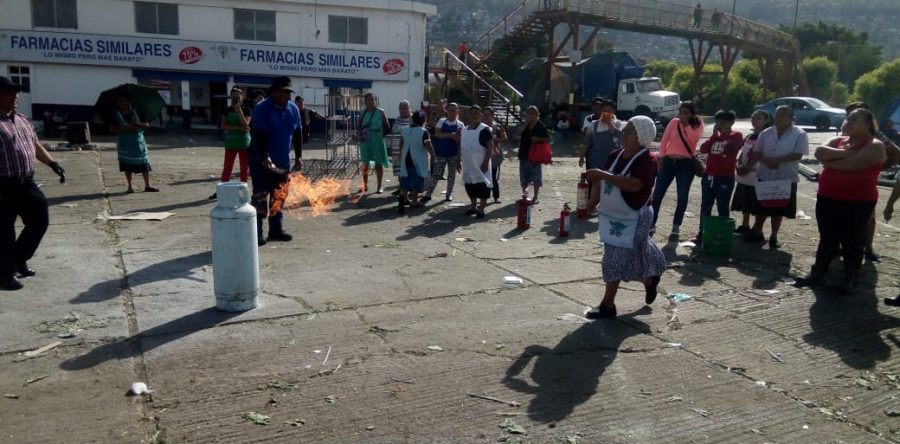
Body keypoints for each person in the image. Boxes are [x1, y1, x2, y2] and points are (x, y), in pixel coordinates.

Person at [584, 116, 666, 319]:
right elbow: (599, 181)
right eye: (625, 130)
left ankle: (607, 305)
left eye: (629, 131)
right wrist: (592, 202)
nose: (624, 133)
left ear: (641, 137)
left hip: (635, 216)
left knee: (613, 259)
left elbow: (634, 185)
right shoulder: (615, 155)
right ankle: (650, 278)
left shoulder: (647, 160)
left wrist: (603, 175)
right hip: (612, 216)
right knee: (634, 253)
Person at [795, 108, 885, 292]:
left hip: (857, 201)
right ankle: (818, 273)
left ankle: (851, 276)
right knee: (827, 236)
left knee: (852, 239)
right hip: (828, 196)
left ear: (868, 124)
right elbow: (820, 152)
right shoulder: (839, 140)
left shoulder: (875, 145)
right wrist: (846, 153)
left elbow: (855, 165)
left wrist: (831, 161)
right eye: (848, 119)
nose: (849, 122)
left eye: (855, 119)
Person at [0, 76, 66, 290]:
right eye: (9, 92)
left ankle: (17, 260)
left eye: (16, 92)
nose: (15, 96)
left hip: (27, 183)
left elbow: (35, 145)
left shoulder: (22, 119)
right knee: (4, 232)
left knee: (39, 220)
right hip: (3, 187)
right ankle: (4, 274)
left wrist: (52, 163)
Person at [743, 105, 809, 249]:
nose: (779, 118)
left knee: (779, 208)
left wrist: (777, 160)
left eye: (783, 116)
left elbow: (798, 154)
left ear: (791, 118)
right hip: (765, 174)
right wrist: (767, 161)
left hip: (786, 176)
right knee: (762, 206)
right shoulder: (766, 133)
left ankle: (774, 236)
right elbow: (757, 152)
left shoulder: (799, 134)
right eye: (777, 115)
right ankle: (757, 231)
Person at [249, 76, 301, 246]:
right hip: (261, 162)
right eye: (284, 92)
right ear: (275, 92)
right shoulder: (262, 109)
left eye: (288, 92)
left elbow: (298, 134)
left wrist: (299, 156)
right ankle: (256, 232)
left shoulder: (293, 109)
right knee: (260, 197)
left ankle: (276, 230)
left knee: (278, 197)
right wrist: (264, 156)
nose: (287, 95)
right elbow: (258, 135)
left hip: (283, 163)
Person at [651, 101, 704, 239]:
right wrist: (661, 159)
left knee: (682, 196)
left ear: (692, 114)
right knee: (657, 194)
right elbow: (664, 141)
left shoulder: (697, 123)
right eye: (681, 112)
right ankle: (651, 223)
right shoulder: (674, 122)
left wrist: (686, 124)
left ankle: (676, 227)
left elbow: (694, 139)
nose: (682, 115)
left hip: (685, 164)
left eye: (686, 113)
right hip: (669, 161)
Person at [693, 110, 743, 244]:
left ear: (731, 122)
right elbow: (703, 149)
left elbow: (732, 148)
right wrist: (714, 135)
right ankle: (702, 232)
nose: (720, 125)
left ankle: (723, 234)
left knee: (722, 206)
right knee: (706, 206)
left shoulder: (736, 135)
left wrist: (724, 135)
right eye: (718, 122)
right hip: (709, 176)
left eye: (723, 122)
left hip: (725, 177)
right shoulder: (715, 137)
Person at [732, 110, 773, 234]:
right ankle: (745, 224)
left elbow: (759, 154)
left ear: (766, 121)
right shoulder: (749, 136)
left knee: (756, 201)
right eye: (753, 117)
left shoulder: (766, 136)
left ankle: (756, 228)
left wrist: (748, 167)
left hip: (757, 174)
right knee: (744, 200)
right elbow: (743, 152)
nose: (755, 120)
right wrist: (739, 164)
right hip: (744, 173)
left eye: (758, 118)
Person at [210, 87, 252, 200]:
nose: (237, 97)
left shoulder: (247, 110)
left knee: (244, 168)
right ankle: (222, 191)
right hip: (231, 142)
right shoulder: (226, 110)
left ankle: (243, 192)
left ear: (242, 97)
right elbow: (223, 126)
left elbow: (246, 126)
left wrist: (239, 111)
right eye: (234, 94)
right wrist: (238, 127)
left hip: (244, 142)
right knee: (227, 167)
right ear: (231, 96)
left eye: (239, 95)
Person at [111, 95, 157, 193]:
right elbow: (112, 128)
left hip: (138, 142)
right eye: (121, 102)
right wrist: (126, 128)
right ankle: (130, 186)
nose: (123, 104)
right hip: (125, 143)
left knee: (144, 163)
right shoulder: (115, 114)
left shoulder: (138, 112)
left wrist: (137, 124)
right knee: (127, 165)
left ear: (129, 102)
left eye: (125, 101)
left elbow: (147, 125)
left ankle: (147, 185)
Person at [460, 106, 494, 218]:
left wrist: (485, 162)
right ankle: (473, 206)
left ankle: (481, 209)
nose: (474, 115)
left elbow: (490, 147)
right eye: (472, 113)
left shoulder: (484, 129)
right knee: (470, 186)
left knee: (483, 187)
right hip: (468, 164)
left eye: (476, 113)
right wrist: (457, 159)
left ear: (480, 115)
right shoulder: (464, 130)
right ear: (468, 115)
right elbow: (461, 146)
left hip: (481, 163)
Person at [398, 110, 434, 213]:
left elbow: (401, 143)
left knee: (405, 178)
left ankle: (405, 198)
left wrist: (400, 154)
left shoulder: (404, 129)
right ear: (423, 120)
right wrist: (433, 156)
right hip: (417, 159)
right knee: (416, 179)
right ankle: (414, 200)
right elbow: (429, 146)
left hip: (406, 158)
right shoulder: (424, 132)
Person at [426, 102, 463, 202]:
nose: (451, 112)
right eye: (450, 110)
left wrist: (459, 157)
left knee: (452, 175)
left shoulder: (460, 125)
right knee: (436, 174)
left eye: (454, 110)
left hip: (453, 154)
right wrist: (451, 135)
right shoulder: (442, 121)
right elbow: (437, 134)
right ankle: (429, 193)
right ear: (447, 111)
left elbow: (460, 141)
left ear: (457, 111)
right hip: (441, 153)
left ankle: (449, 194)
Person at [358, 92, 392, 194]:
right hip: (366, 143)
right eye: (369, 100)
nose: (371, 102)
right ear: (365, 102)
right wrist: (362, 135)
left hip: (377, 141)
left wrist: (379, 135)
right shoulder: (363, 113)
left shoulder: (380, 112)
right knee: (365, 164)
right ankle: (365, 185)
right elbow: (358, 126)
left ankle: (379, 186)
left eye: (373, 100)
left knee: (378, 164)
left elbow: (387, 127)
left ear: (375, 101)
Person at [515, 106, 550, 204]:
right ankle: (525, 196)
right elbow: (517, 134)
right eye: (529, 113)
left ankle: (535, 197)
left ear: (537, 115)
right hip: (523, 153)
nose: (531, 115)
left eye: (533, 113)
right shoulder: (524, 124)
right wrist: (526, 124)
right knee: (524, 177)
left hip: (535, 155)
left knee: (536, 177)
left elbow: (548, 139)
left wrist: (538, 139)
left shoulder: (541, 126)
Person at [579, 98, 623, 170]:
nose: (606, 113)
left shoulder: (617, 124)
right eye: (604, 111)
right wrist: (581, 156)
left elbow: (619, 137)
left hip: (611, 161)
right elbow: (586, 142)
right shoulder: (593, 124)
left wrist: (609, 123)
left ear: (613, 111)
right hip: (596, 161)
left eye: (608, 111)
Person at [483, 107, 508, 203]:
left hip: (493, 155)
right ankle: (483, 197)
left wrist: (492, 140)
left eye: (488, 115)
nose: (485, 117)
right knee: (482, 176)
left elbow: (505, 138)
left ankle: (496, 196)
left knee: (492, 176)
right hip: (480, 154)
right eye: (484, 115)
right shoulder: (479, 126)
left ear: (492, 116)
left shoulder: (497, 127)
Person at [391, 100, 414, 196]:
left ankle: (411, 190)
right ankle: (401, 187)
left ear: (409, 109)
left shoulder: (412, 119)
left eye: (405, 108)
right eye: (401, 108)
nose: (403, 110)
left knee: (408, 170)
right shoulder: (397, 119)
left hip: (408, 150)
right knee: (398, 169)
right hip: (396, 150)